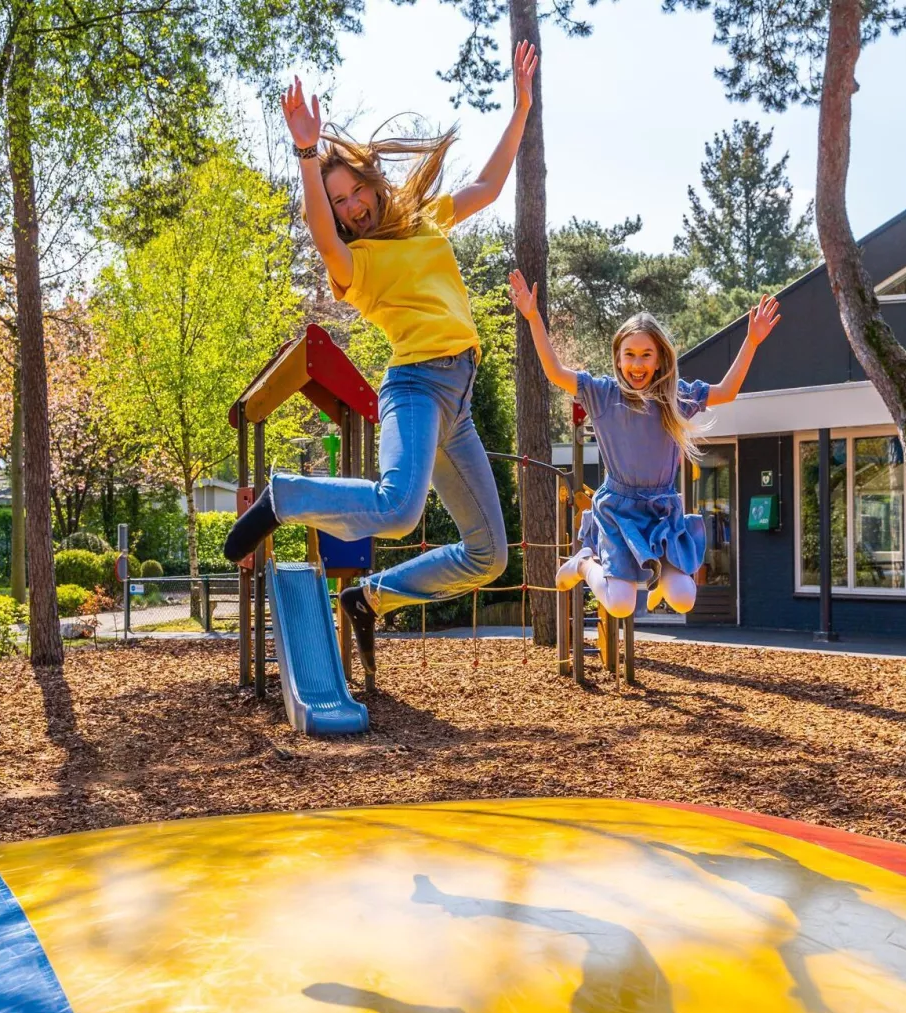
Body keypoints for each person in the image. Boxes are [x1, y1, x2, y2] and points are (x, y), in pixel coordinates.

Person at [224, 42, 540, 674]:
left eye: (352, 195)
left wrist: (522, 107)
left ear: (371, 182)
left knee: (489, 555)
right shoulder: (356, 264)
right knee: (399, 509)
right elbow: (319, 232)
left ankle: (369, 599)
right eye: (338, 204)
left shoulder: (423, 219)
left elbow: (488, 184)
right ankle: (285, 497)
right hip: (416, 388)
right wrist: (308, 156)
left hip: (459, 402)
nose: (349, 210)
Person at [509, 268, 779, 617]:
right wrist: (533, 317)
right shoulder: (602, 393)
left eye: (646, 355)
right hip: (619, 509)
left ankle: (657, 582)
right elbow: (555, 371)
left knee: (684, 599)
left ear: (659, 358)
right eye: (630, 354)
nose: (637, 364)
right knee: (621, 605)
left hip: (661, 510)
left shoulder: (675, 397)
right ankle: (583, 562)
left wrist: (752, 341)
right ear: (618, 358)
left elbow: (726, 391)